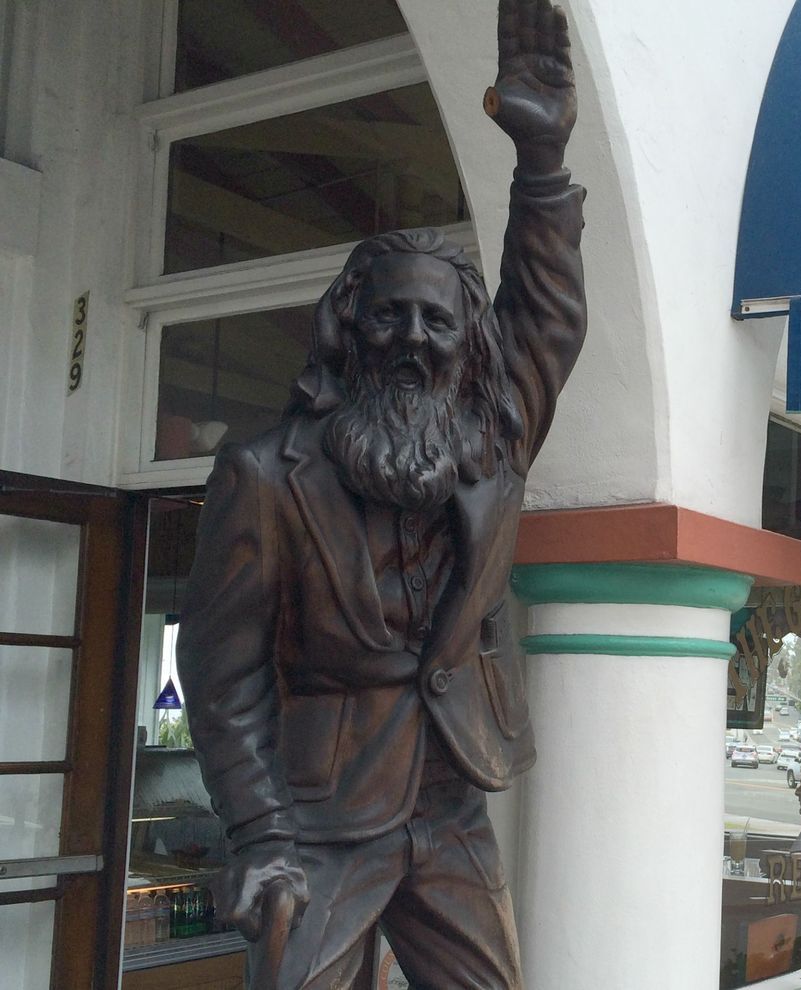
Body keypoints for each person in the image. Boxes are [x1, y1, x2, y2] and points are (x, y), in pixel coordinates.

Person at [175, 2, 585, 986]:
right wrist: (258, 834)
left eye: (437, 322)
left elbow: (547, 318)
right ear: (349, 332)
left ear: (463, 344)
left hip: (453, 813)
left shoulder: (492, 442)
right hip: (317, 825)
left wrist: (541, 169)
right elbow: (222, 680)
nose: (412, 339)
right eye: (389, 317)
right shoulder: (266, 477)